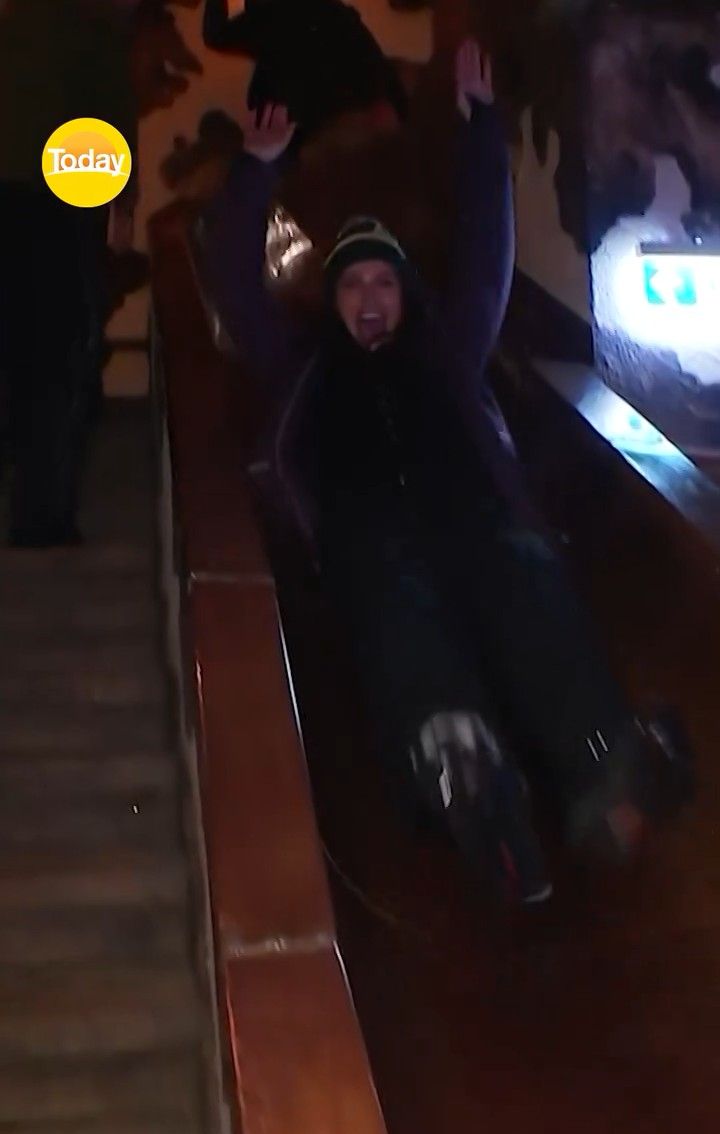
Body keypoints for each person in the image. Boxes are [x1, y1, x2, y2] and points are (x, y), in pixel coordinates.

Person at [202, 40, 693, 906]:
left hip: (473, 515)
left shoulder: (450, 351)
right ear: (334, 301)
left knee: (526, 575)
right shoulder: (304, 368)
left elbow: (488, 251)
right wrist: (256, 170)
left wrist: (482, 125)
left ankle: (601, 765)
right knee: (397, 604)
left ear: (405, 295)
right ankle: (466, 776)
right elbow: (237, 287)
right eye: (351, 286)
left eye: (382, 284)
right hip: (370, 534)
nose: (367, 300)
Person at [0, 0, 138, 547]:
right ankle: (40, 515)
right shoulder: (92, 36)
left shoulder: (17, 29)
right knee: (56, 363)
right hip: (59, 206)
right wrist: (120, 207)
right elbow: (109, 128)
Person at [202, 0, 408, 144]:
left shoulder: (272, 20)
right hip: (355, 124)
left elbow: (217, 35)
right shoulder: (334, 14)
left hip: (325, 132)